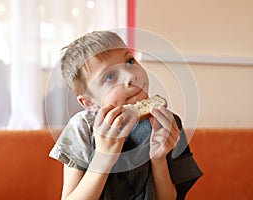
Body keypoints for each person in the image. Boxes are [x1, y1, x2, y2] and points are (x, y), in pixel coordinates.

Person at [49, 30, 202, 200]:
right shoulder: (82, 128)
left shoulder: (166, 124)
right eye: (110, 76)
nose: (131, 76)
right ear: (90, 102)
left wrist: (159, 160)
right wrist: (103, 158)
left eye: (130, 61)